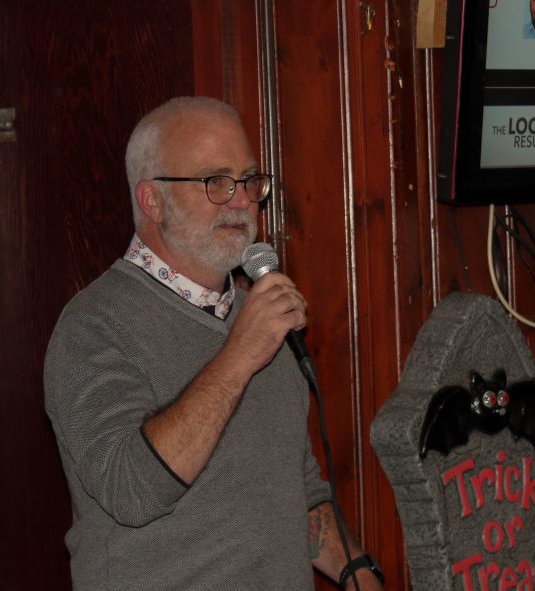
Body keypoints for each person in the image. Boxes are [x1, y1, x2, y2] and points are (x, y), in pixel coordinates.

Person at [44, 96, 384, 590]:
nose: (243, 199)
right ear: (152, 200)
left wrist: (360, 575)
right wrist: (240, 354)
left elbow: (299, 488)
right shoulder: (92, 327)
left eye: (249, 180)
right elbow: (132, 490)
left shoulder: (256, 316)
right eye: (216, 182)